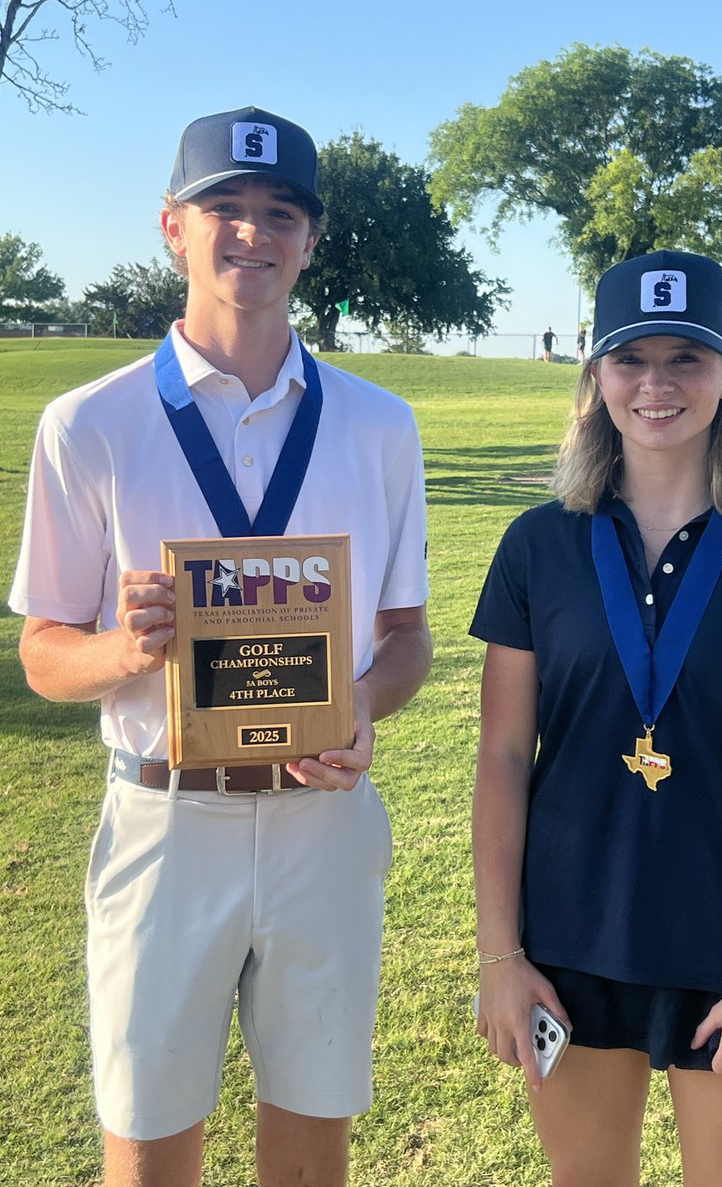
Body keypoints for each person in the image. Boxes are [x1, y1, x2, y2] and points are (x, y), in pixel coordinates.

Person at [10, 105, 432, 1187]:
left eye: (278, 213)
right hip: (165, 818)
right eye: (224, 211)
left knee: (312, 1140)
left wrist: (358, 712)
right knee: (149, 1149)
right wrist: (122, 651)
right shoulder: (88, 423)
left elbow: (406, 640)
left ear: (310, 239)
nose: (252, 233)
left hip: (323, 823)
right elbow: (44, 653)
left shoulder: (379, 424)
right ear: (172, 227)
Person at [470, 249, 722, 1187]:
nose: (656, 383)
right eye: (629, 357)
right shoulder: (538, 546)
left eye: (685, 356)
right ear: (595, 376)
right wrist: (500, 955)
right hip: (568, 944)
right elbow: (499, 756)